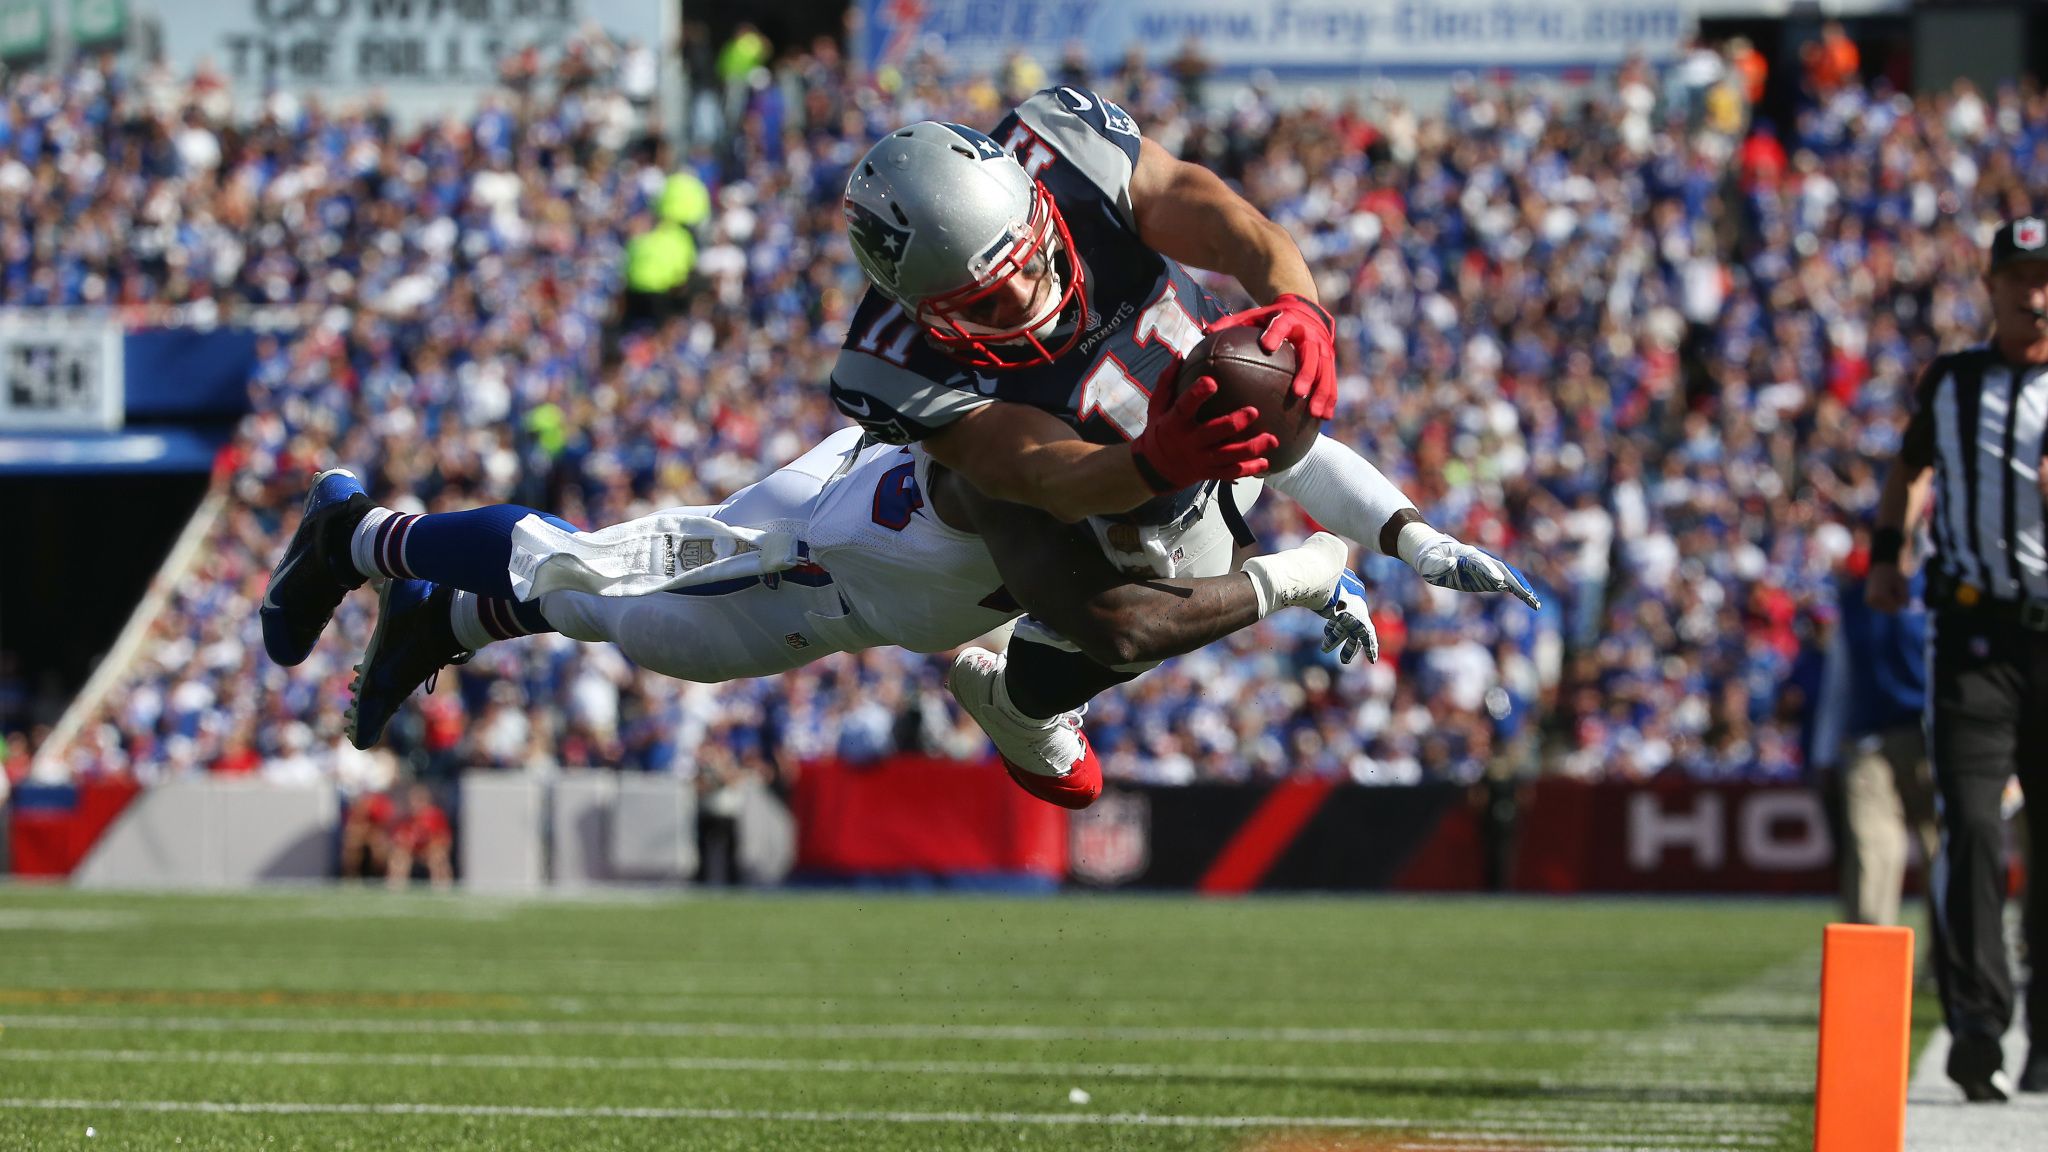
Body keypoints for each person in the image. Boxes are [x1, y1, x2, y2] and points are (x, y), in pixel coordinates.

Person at [827, 96, 1536, 803]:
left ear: (1037, 206)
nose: (1023, 296)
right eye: (981, 302)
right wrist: (1154, 461)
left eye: (1028, 258)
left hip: (1154, 483)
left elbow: (1235, 231)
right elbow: (1044, 474)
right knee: (1135, 605)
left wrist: (1302, 310)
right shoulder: (891, 363)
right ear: (917, 305)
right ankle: (1024, 702)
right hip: (1033, 509)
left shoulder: (1064, 149)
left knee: (1182, 561)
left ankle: (1025, 698)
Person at [260, 434, 1378, 769]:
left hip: (851, 601)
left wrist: (1402, 535)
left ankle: (438, 616)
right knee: (591, 566)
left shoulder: (1192, 492)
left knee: (650, 632)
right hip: (824, 538)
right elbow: (1113, 626)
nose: (1151, 536)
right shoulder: (1039, 489)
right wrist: (1300, 576)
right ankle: (354, 535)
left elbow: (1300, 443)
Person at [1870, 215, 2048, 1101]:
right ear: (1993, 284)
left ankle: (2047, 1033)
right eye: (2021, 276)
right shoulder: (1954, 385)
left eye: (2046, 276)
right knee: (1973, 827)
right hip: (1974, 637)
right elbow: (1909, 471)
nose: (2035, 293)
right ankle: (1979, 1025)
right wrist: (1884, 555)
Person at [1812, 537, 1936, 930]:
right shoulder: (1852, 605)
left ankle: (1950, 964)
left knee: (1942, 851)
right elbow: (1839, 683)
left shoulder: (1935, 589)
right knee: (1872, 850)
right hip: (1868, 739)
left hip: (1928, 736)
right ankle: (1869, 962)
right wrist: (1824, 754)